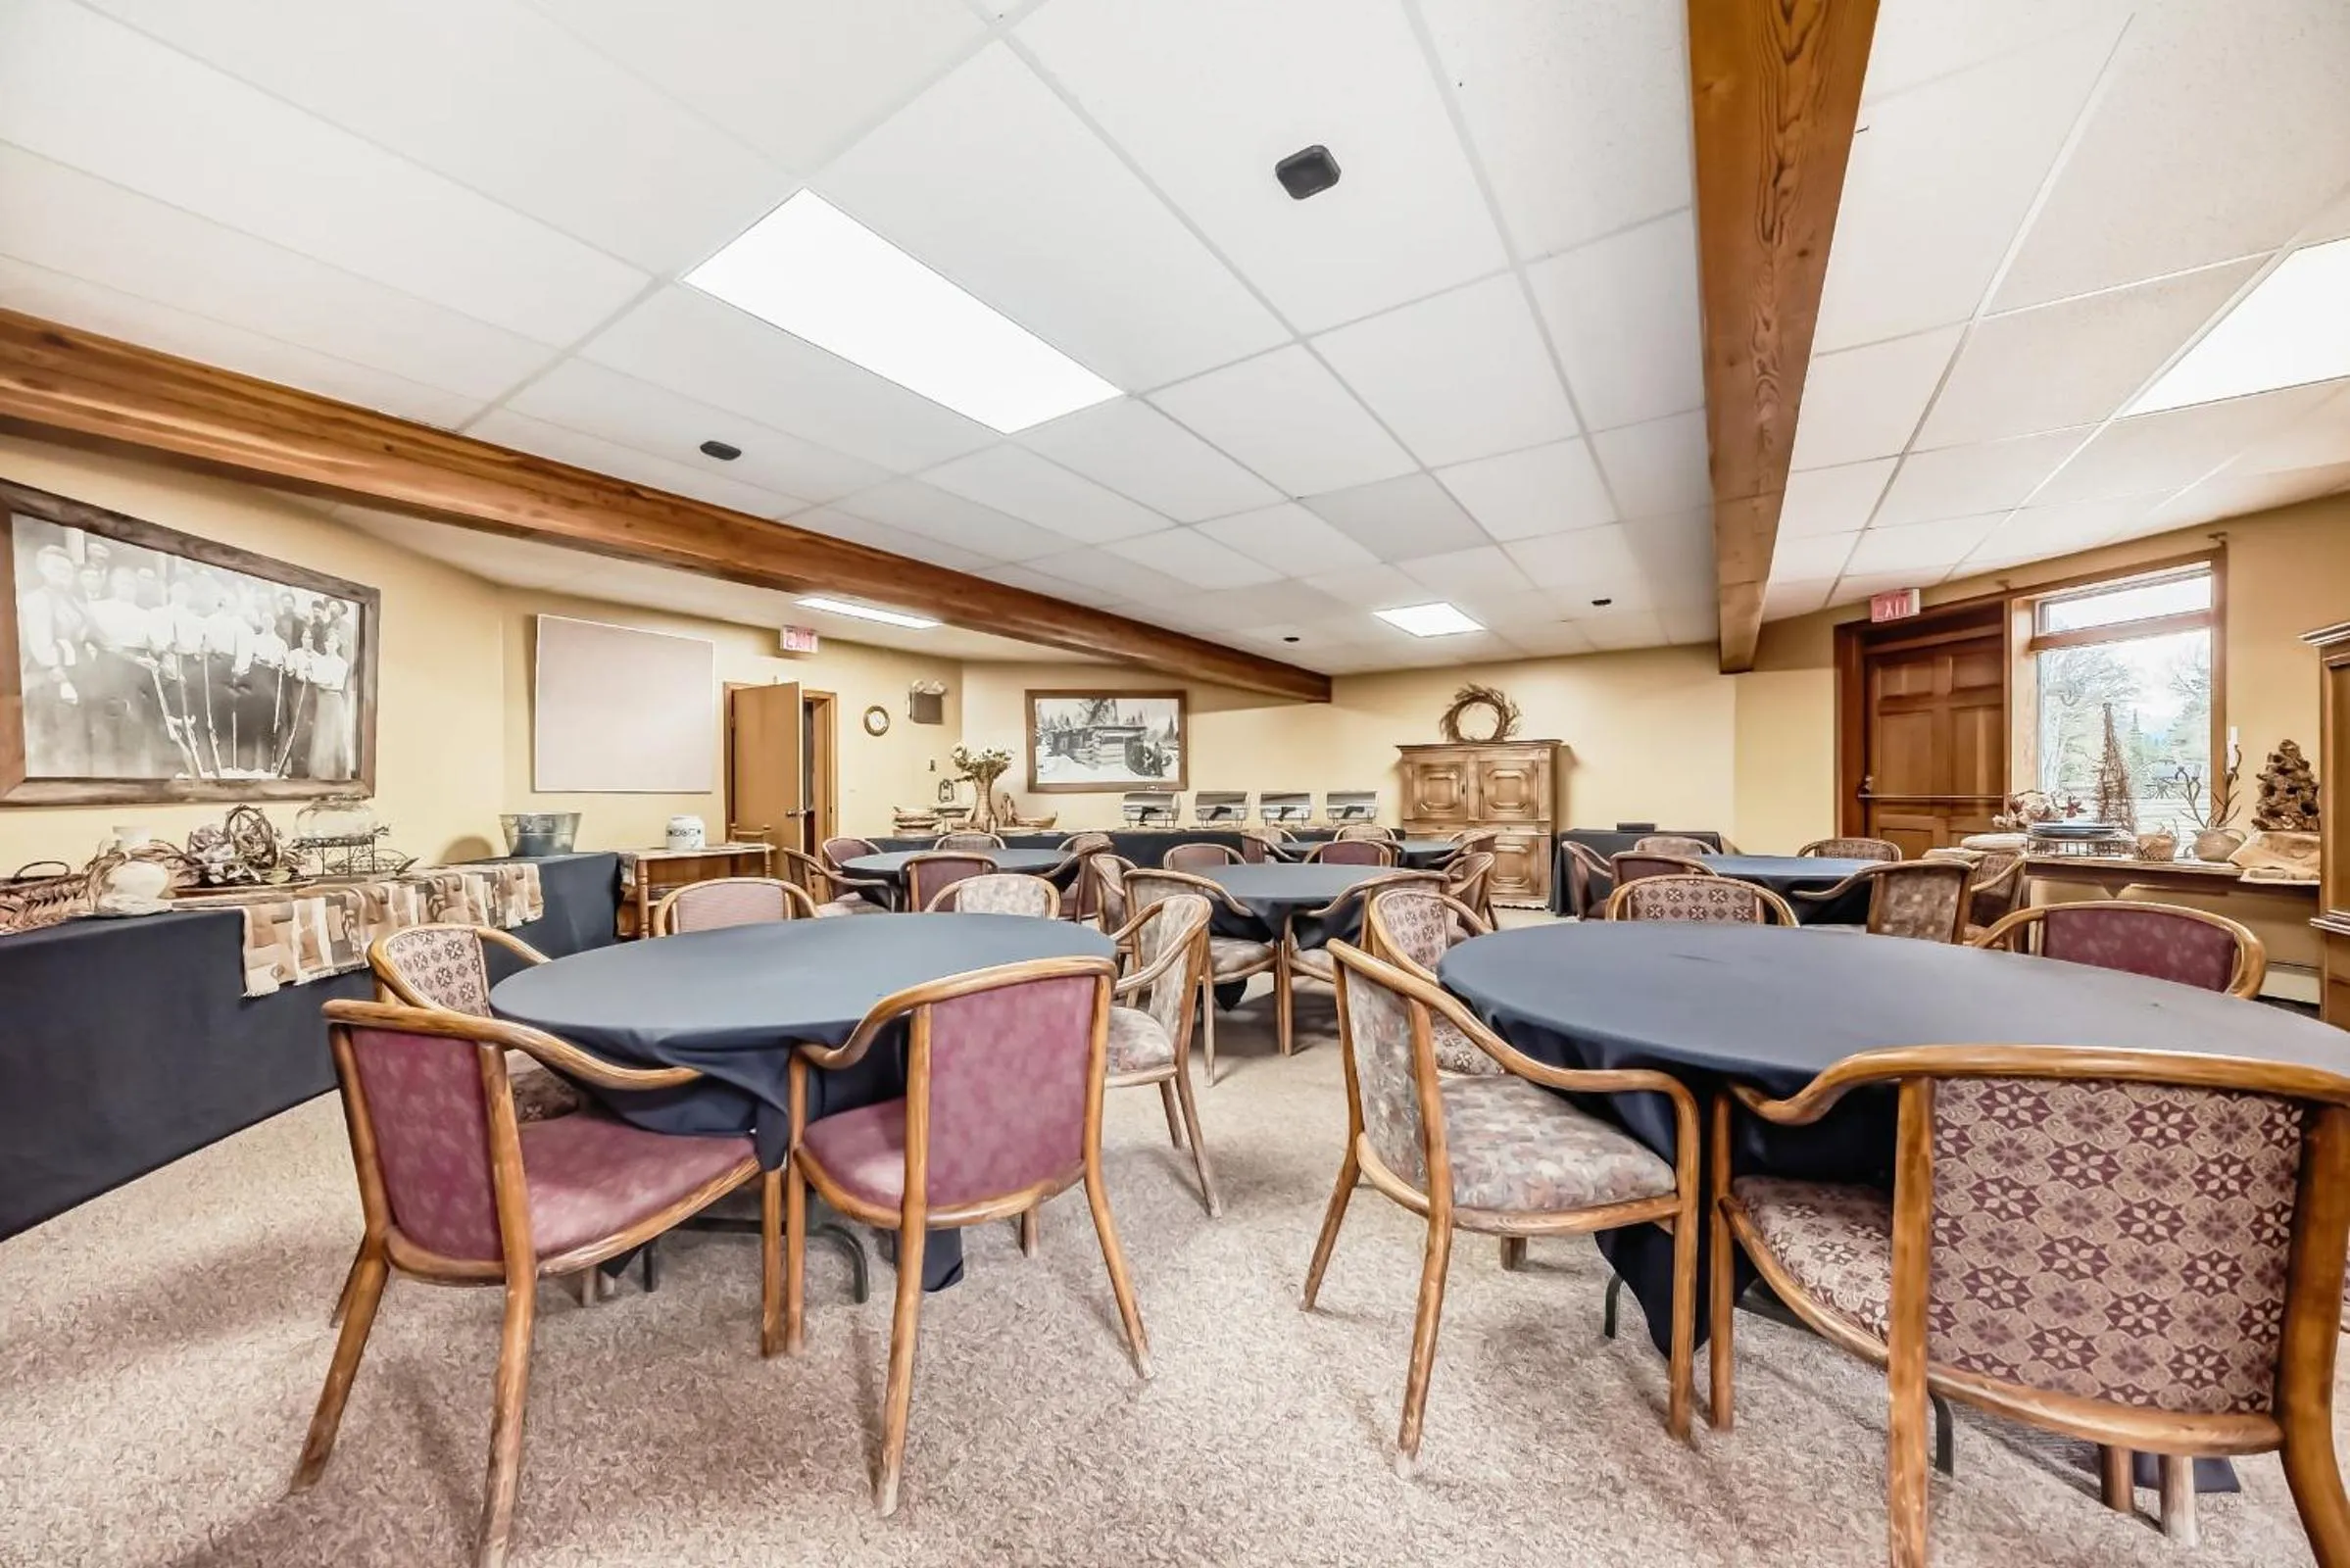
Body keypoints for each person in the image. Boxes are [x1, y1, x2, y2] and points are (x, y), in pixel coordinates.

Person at [305, 624, 356, 781]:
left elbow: (334, 684)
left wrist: (316, 680)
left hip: (334, 701)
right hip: (322, 701)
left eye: (333, 642)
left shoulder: (342, 664)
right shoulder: (318, 661)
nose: (330, 645)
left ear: (338, 644)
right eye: (327, 642)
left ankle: (337, 774)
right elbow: (315, 677)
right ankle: (321, 773)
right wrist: (315, 677)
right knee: (321, 736)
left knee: (335, 736)